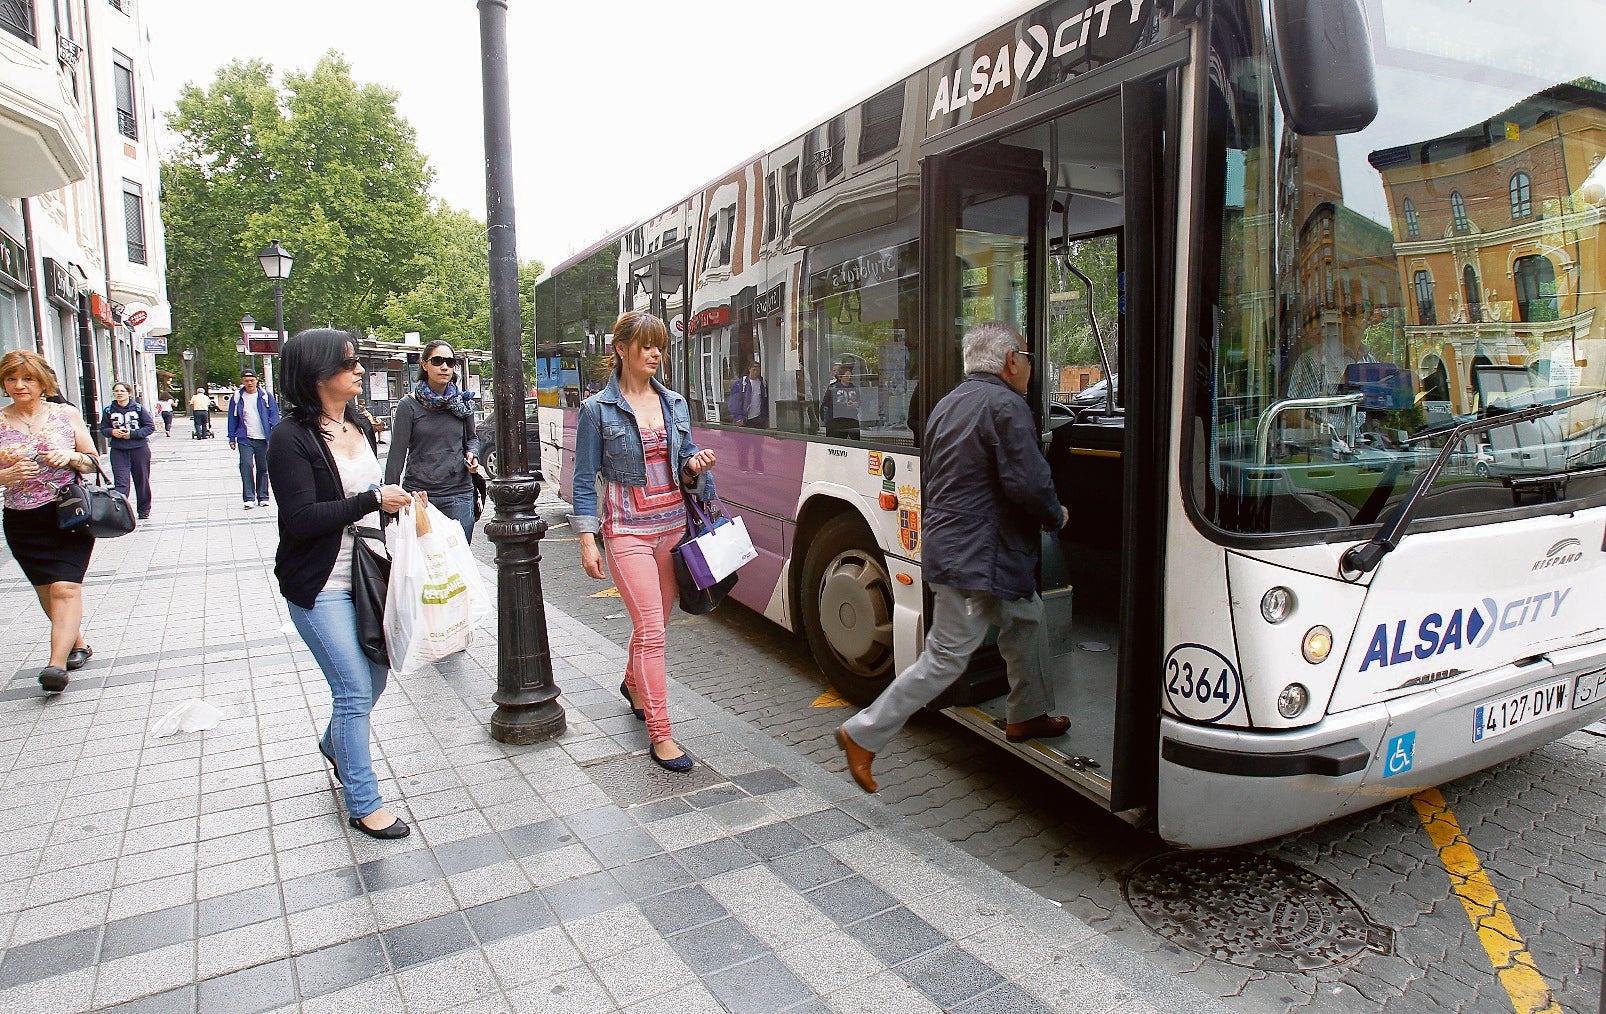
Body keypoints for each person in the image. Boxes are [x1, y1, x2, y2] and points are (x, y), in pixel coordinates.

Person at [835, 322, 1071, 793]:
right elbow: (1028, 483)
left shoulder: (948, 403)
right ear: (1009, 361)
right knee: (945, 658)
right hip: (978, 558)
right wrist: (1056, 515)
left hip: (966, 550)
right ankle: (863, 733)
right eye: (1026, 356)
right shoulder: (1007, 406)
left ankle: (1026, 715)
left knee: (1026, 617)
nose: (1030, 366)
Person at [268, 328, 418, 841]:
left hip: (367, 572)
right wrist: (373, 499)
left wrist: (394, 506)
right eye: (349, 363)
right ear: (316, 375)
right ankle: (364, 801)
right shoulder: (291, 438)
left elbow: (366, 498)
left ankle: (336, 744)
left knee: (374, 678)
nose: (359, 371)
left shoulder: (357, 423)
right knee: (353, 688)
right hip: (318, 583)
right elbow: (302, 518)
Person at [571, 311, 717, 773]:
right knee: (651, 631)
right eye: (648, 345)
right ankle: (661, 734)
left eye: (661, 346)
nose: (657, 353)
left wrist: (695, 463)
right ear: (622, 349)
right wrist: (587, 539)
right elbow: (582, 480)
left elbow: (685, 454)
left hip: (674, 529)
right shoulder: (598, 410)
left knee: (656, 624)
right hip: (628, 532)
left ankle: (633, 683)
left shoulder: (674, 402)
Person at [0, 350, 103, 693]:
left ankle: (55, 666)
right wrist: (7, 475)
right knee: (47, 590)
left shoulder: (65, 415)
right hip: (21, 520)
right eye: (11, 379)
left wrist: (72, 456)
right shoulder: (0, 421)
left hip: (67, 513)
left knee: (65, 587)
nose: (19, 385)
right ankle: (78, 644)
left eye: (27, 378)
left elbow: (93, 461)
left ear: (43, 382)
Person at [385, 340, 480, 543]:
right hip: (420, 496)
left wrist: (473, 455)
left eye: (450, 362)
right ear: (424, 364)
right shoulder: (408, 406)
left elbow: (472, 439)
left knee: (458, 564)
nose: (444, 367)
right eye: (437, 361)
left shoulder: (462, 403)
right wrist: (390, 500)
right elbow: (396, 455)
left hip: (459, 494)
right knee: (425, 565)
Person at [98, 381, 155, 521]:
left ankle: (144, 510)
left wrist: (132, 434)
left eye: (122, 391)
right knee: (121, 482)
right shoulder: (108, 410)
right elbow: (103, 429)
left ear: (129, 393)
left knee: (141, 480)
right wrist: (113, 432)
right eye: (116, 391)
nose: (119, 393)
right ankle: (121, 511)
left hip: (139, 449)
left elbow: (150, 427)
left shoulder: (138, 409)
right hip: (119, 450)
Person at [228, 369, 280, 509]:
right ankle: (249, 497)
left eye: (252, 380)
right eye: (246, 380)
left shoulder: (265, 396)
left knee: (263, 467)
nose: (249, 383)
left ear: (257, 380)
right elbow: (232, 418)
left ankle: (263, 496)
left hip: (263, 438)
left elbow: (274, 416)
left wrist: (275, 434)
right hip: (245, 438)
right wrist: (232, 437)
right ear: (242, 381)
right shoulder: (237, 397)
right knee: (246, 465)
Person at [821, 360, 861, 439]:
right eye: (846, 376)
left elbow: (859, 401)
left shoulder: (854, 388)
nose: (849, 378)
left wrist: (857, 404)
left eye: (850, 376)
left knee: (855, 440)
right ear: (841, 377)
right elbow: (828, 403)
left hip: (852, 418)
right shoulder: (833, 388)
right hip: (838, 419)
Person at [727, 361, 769, 427]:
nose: (756, 372)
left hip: (758, 418)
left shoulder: (763, 383)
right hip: (744, 419)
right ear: (749, 369)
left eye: (757, 370)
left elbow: (765, 401)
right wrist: (738, 417)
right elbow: (734, 402)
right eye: (754, 370)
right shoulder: (740, 384)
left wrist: (766, 417)